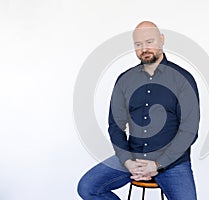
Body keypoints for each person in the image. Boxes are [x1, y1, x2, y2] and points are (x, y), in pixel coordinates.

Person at [77, 21, 200, 200]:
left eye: (149, 42)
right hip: (133, 158)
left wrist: (158, 164)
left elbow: (189, 131)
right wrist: (127, 161)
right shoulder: (125, 80)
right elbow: (115, 126)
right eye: (138, 44)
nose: (144, 48)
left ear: (161, 40)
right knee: (88, 187)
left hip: (173, 162)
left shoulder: (183, 79)